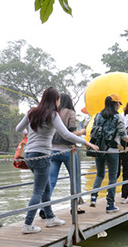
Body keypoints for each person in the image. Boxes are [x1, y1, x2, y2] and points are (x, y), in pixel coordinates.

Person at [16, 87, 98, 233]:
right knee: (38, 191)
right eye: (58, 99)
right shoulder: (52, 115)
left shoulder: (31, 112)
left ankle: (50, 218)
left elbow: (18, 128)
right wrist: (86, 142)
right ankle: (27, 224)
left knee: (46, 187)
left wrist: (27, 135)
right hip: (41, 155)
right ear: (55, 100)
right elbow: (66, 135)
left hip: (28, 154)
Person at [90, 95, 128, 211]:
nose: (119, 106)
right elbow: (123, 135)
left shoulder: (98, 116)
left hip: (99, 149)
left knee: (100, 174)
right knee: (112, 177)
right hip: (112, 150)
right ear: (116, 104)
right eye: (119, 104)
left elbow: (93, 132)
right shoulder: (117, 117)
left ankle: (93, 197)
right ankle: (110, 204)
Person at [48, 93, 86, 215]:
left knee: (51, 180)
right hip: (68, 150)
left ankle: (45, 208)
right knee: (75, 179)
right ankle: (74, 207)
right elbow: (72, 133)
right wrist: (82, 132)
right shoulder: (70, 113)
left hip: (53, 150)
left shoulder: (53, 113)